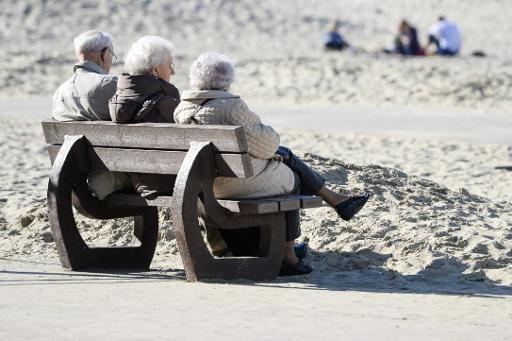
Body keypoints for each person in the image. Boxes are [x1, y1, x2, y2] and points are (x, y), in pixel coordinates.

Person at [174, 52, 370, 275]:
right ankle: (288, 255)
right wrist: (270, 136)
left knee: (285, 156)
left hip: (204, 184)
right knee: (291, 178)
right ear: (226, 81)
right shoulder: (230, 106)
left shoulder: (181, 109)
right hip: (237, 182)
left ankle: (336, 201)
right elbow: (267, 145)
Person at [51, 30, 129, 200]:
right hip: (110, 177)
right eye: (112, 55)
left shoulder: (59, 93)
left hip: (72, 180)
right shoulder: (112, 85)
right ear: (104, 54)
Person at [109, 35, 180, 199]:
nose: (173, 71)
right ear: (155, 70)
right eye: (170, 66)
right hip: (169, 181)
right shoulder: (167, 105)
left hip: (136, 181)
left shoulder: (117, 103)